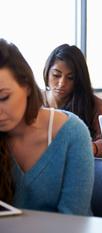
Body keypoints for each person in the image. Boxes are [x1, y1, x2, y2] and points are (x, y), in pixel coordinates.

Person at [0, 39, 94, 215]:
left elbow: (73, 219)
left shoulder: (72, 133)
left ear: (27, 86)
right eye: (56, 75)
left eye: (4, 97)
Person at [43, 44, 102, 157]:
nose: (62, 83)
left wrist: (89, 147)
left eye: (70, 78)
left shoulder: (94, 105)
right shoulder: (34, 100)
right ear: (47, 73)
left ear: (78, 80)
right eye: (56, 75)